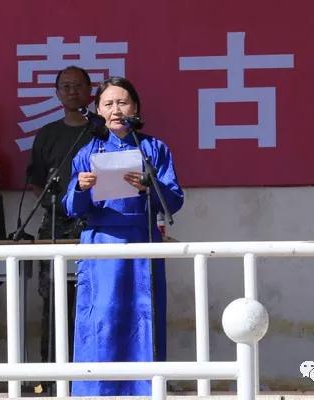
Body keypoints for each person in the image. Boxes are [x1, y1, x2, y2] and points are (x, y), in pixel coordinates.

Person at [62, 76, 184, 396]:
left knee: (143, 316)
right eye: (108, 104)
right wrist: (81, 188)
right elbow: (71, 207)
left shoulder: (154, 149)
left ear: (136, 107)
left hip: (142, 241)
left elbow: (174, 200)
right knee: (101, 317)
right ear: (97, 111)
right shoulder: (86, 151)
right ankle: (96, 390)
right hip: (100, 242)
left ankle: (143, 390)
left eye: (122, 102)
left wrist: (148, 186)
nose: (115, 110)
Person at [28, 66, 94, 367]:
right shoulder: (48, 134)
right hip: (55, 225)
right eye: (65, 87)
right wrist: (59, 204)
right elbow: (36, 182)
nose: (72, 92)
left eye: (78, 86)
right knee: (54, 302)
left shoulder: (100, 132)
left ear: (90, 91)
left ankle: (88, 370)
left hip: (93, 224)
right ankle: (51, 375)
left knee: (91, 300)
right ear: (57, 94)